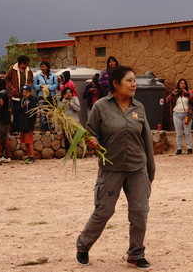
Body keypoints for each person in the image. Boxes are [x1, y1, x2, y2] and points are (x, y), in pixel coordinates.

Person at [76, 66, 155, 269]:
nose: (133, 84)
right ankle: (83, 245)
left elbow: (147, 141)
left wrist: (150, 172)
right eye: (129, 80)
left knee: (140, 212)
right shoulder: (101, 107)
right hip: (111, 167)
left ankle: (135, 254)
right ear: (116, 84)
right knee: (104, 210)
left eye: (134, 80)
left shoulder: (139, 108)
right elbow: (90, 134)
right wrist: (92, 142)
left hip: (137, 167)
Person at [166, 78, 193, 155]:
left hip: (187, 114)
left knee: (187, 132)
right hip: (177, 114)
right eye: (181, 83)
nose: (183, 85)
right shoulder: (176, 93)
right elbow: (167, 100)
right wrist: (172, 94)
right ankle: (179, 148)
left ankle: (189, 148)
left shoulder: (189, 92)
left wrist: (187, 94)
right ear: (178, 85)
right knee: (178, 133)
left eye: (184, 83)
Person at [5, 55, 33, 136]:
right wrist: (12, 88)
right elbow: (7, 79)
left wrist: (29, 85)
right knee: (16, 112)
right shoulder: (13, 69)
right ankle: (16, 129)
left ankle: (24, 129)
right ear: (21, 63)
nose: (27, 65)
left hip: (25, 95)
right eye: (26, 64)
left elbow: (31, 79)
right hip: (16, 95)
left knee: (25, 112)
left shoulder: (28, 70)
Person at [33, 61, 58, 135]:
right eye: (41, 67)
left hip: (51, 96)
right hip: (42, 96)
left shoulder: (53, 76)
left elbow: (56, 84)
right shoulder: (38, 76)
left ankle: (51, 128)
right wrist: (40, 87)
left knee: (51, 113)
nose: (42, 68)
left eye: (44, 67)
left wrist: (49, 87)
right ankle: (43, 128)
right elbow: (35, 86)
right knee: (43, 112)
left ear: (47, 67)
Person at [18, 85, 37, 164]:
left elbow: (33, 112)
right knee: (25, 141)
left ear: (30, 92)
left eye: (26, 92)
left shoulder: (32, 100)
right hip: (23, 122)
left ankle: (32, 156)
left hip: (29, 122)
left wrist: (32, 123)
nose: (24, 94)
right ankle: (28, 156)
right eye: (23, 92)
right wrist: (22, 107)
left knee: (29, 141)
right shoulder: (22, 99)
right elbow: (19, 111)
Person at [0, 78, 12, 163]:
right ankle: (8, 157)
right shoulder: (8, 92)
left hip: (1, 118)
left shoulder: (1, 93)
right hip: (7, 117)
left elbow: (0, 103)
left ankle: (0, 155)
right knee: (6, 138)